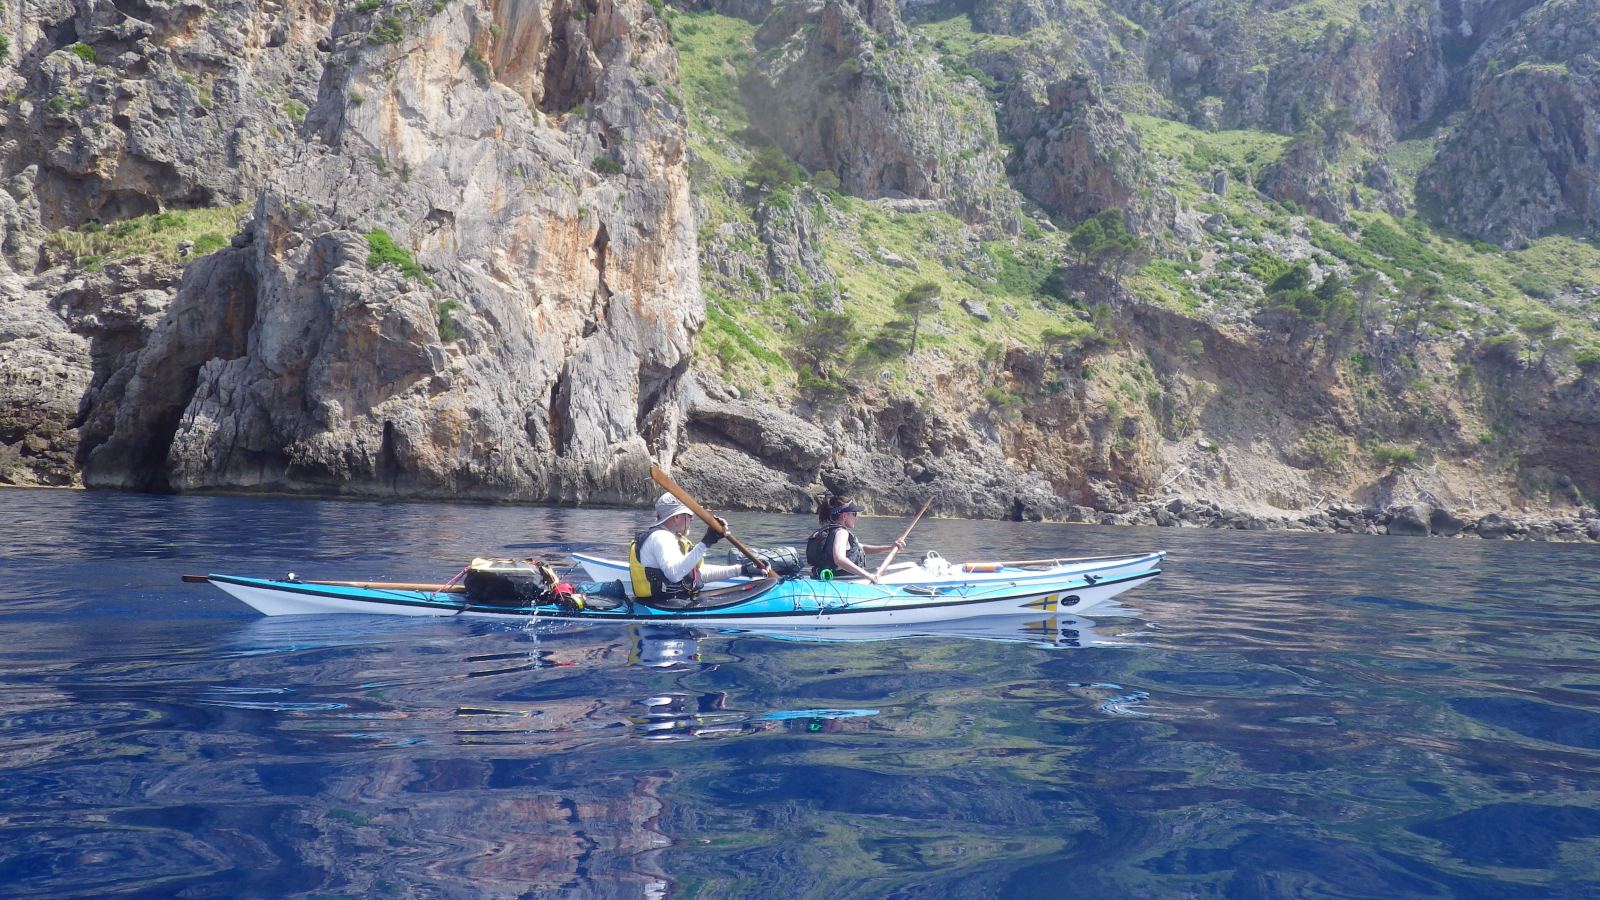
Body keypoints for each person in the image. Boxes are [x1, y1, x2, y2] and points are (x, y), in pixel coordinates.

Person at [629, 492, 763, 608]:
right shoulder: (661, 538)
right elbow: (674, 574)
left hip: (675, 602)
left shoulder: (673, 538)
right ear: (676, 517)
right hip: (662, 609)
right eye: (689, 515)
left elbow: (698, 575)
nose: (692, 519)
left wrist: (742, 570)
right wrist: (706, 542)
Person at [805, 494, 904, 583]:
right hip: (841, 582)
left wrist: (889, 548)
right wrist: (868, 576)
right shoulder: (841, 532)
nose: (856, 518)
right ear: (844, 516)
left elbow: (861, 548)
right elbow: (839, 559)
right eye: (854, 514)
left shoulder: (831, 531)